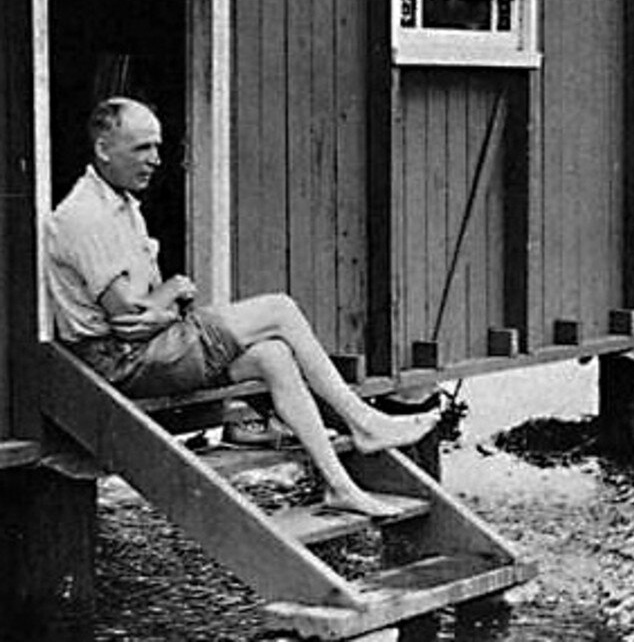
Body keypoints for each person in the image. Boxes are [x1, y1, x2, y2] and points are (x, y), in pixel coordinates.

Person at [45, 97, 437, 518]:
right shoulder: (84, 215)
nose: (156, 160)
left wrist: (161, 309)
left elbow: (142, 311)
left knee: (274, 355)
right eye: (142, 148)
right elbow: (127, 317)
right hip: (118, 362)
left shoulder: (122, 205)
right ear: (104, 148)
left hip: (149, 348)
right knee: (279, 309)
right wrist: (172, 291)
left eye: (157, 148)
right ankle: (362, 422)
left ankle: (339, 485)